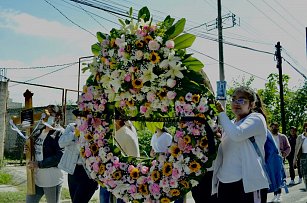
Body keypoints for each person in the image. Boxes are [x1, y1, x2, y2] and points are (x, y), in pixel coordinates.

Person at [212, 86, 269, 203]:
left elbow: (237, 135)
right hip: (225, 183)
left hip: (247, 184)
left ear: (252, 104)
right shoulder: (231, 123)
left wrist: (221, 113)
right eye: (233, 99)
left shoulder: (256, 118)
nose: (236, 103)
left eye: (241, 100)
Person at [25, 105, 64, 203]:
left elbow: (59, 156)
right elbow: (35, 151)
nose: (46, 116)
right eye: (45, 113)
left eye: (50, 114)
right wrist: (26, 151)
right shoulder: (38, 132)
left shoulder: (60, 133)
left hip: (51, 180)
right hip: (36, 179)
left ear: (58, 116)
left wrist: (39, 164)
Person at [100, 120, 140, 203]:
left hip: (120, 177)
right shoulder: (127, 130)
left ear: (117, 121)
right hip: (122, 175)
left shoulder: (123, 134)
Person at [58, 122, 98, 203]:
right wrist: (75, 133)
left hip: (87, 172)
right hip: (73, 170)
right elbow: (61, 143)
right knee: (74, 200)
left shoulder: (94, 128)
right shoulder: (71, 127)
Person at [270, 122, 291, 202]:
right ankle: (275, 195)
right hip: (270, 160)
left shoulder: (282, 137)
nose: (274, 128)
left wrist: (284, 153)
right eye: (272, 127)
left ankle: (279, 195)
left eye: (275, 127)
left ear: (278, 127)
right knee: (273, 178)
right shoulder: (268, 137)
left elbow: (288, 147)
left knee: (279, 177)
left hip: (279, 159)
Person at [293, 122, 307, 191]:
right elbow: (296, 150)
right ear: (304, 129)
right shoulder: (300, 137)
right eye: (305, 128)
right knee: (304, 174)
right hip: (303, 157)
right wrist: (294, 161)